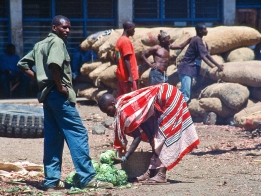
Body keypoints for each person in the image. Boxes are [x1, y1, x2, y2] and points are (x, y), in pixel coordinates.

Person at [17, 15, 113, 191]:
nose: (67, 31)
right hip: (59, 96)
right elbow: (54, 65)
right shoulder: (57, 43)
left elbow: (22, 64)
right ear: (54, 28)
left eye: (69, 28)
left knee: (53, 138)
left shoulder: (40, 45)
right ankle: (87, 178)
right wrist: (60, 86)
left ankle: (51, 181)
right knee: (78, 134)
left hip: (47, 97)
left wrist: (40, 79)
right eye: (64, 27)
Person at [98, 83, 199, 184]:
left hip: (169, 97)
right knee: (156, 138)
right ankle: (150, 172)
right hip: (162, 98)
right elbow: (142, 119)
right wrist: (151, 139)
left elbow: (137, 137)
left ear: (112, 103)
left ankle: (161, 175)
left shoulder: (124, 112)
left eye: (107, 111)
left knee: (164, 137)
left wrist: (126, 157)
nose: (108, 114)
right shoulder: (120, 102)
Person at [177, 23, 224, 103]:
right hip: (186, 69)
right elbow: (204, 56)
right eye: (204, 29)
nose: (206, 31)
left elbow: (205, 55)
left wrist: (214, 65)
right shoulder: (197, 40)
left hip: (188, 69)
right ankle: (175, 113)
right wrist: (216, 65)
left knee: (187, 95)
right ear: (199, 31)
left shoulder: (197, 39)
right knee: (185, 96)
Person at [115, 21, 139, 97]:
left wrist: (120, 69)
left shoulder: (119, 40)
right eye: (133, 29)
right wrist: (130, 76)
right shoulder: (125, 41)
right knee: (131, 99)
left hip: (121, 76)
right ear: (128, 29)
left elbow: (116, 57)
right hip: (127, 77)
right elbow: (126, 59)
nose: (134, 31)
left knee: (122, 99)